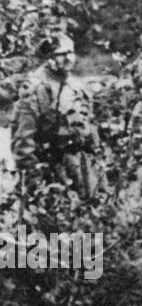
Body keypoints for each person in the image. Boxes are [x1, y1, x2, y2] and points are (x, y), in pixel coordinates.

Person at [12, 33, 102, 198]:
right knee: (30, 219)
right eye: (62, 54)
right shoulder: (35, 88)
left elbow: (88, 123)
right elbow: (22, 139)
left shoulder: (76, 85)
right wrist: (32, 179)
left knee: (87, 210)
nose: (69, 58)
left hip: (76, 164)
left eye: (71, 52)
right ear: (50, 58)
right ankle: (22, 224)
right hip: (46, 165)